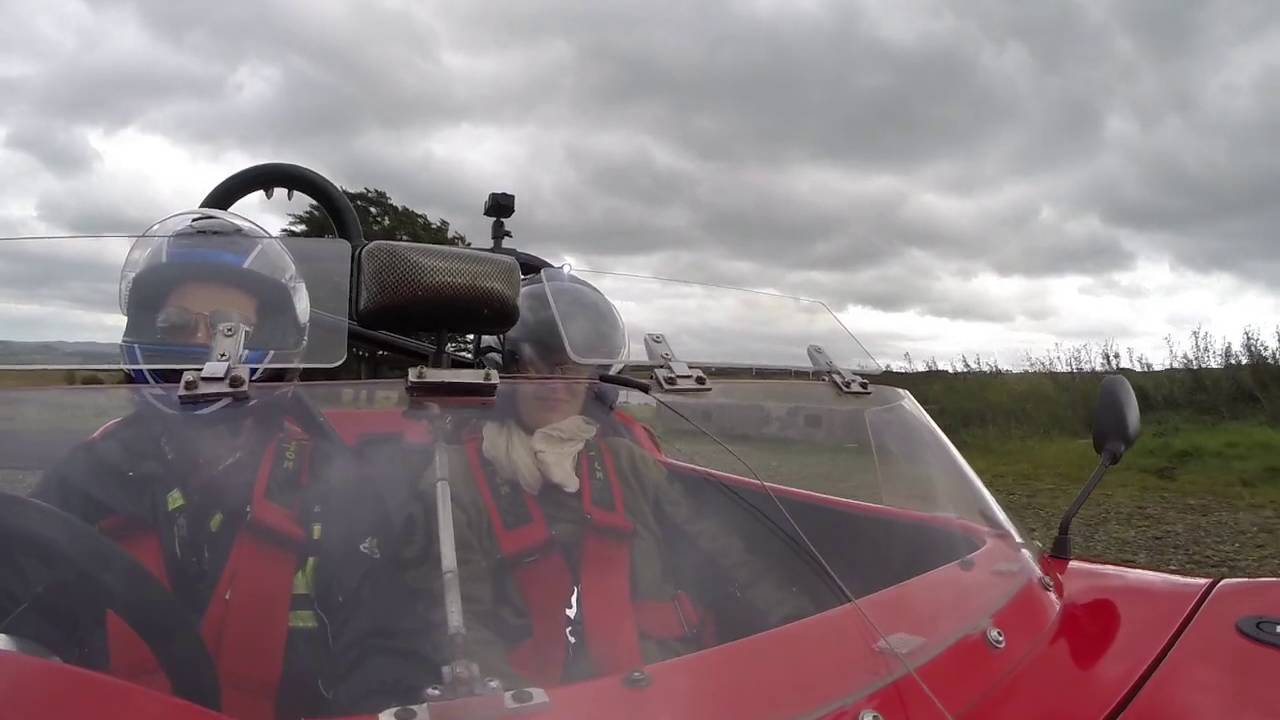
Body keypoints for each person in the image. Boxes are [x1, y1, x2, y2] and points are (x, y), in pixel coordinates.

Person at [0, 210, 433, 719]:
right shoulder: (88, 475)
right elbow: (22, 629)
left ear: (270, 338)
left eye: (231, 328)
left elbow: (385, 656)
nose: (202, 344)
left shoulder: (334, 483)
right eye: (176, 325)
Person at [428, 272, 813, 689]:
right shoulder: (456, 477)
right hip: (531, 701)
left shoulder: (629, 463)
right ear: (501, 374)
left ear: (594, 381)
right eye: (535, 366)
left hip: (665, 688)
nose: (554, 384)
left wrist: (799, 626)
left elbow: (724, 552)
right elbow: (460, 625)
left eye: (568, 367)